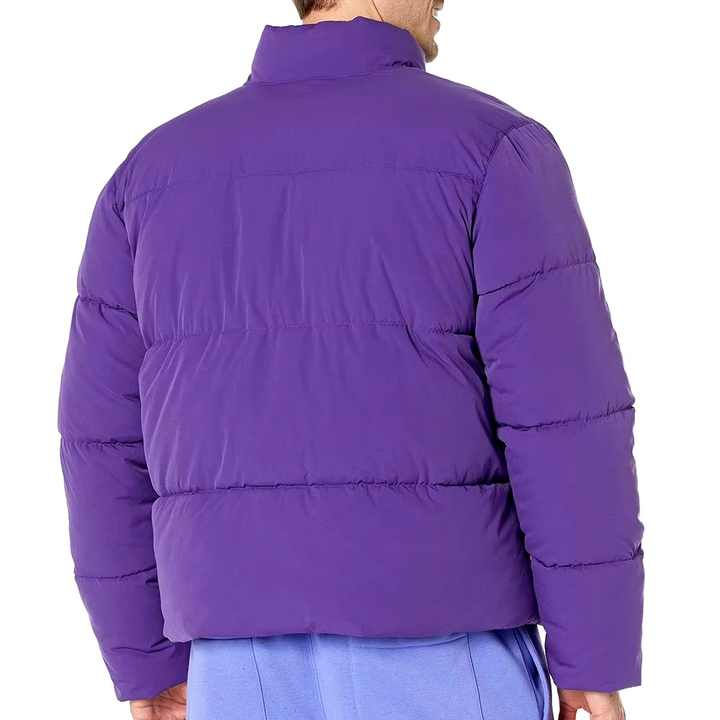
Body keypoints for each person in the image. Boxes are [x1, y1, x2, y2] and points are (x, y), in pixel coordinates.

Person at [58, 1, 643, 718]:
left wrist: (144, 661)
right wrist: (591, 652)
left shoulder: (151, 174)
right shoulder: (493, 149)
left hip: (234, 660)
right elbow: (565, 423)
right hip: (442, 641)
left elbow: (102, 442)